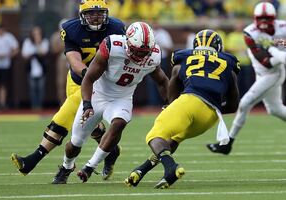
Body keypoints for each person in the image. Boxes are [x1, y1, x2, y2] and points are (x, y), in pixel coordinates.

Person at [10, 0, 126, 183]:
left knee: (69, 111)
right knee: (87, 122)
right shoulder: (71, 29)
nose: (96, 17)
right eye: (91, 13)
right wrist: (88, 74)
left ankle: (33, 159)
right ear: (81, 15)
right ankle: (111, 150)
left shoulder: (117, 28)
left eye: (99, 13)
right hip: (77, 79)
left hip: (102, 84)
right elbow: (74, 60)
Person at [125, 29, 240, 189]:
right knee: (173, 139)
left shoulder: (185, 56)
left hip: (190, 101)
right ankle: (141, 170)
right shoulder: (229, 63)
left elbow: (176, 73)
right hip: (211, 117)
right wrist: (212, 106)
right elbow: (234, 105)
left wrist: (172, 105)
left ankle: (171, 168)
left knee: (154, 136)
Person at [71, 21, 169, 183]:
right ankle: (67, 165)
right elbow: (88, 78)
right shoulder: (112, 46)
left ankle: (90, 166)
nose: (140, 56)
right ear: (127, 41)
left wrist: (168, 103)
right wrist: (87, 103)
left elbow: (163, 81)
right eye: (137, 51)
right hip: (98, 94)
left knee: (119, 123)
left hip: (122, 98)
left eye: (144, 52)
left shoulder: (153, 56)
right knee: (75, 143)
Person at [206, 2, 286, 155]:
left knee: (244, 104)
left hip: (274, 74)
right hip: (265, 71)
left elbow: (272, 64)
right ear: (255, 18)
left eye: (266, 18)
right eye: (260, 18)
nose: (263, 22)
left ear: (274, 18)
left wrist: (276, 47)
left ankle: (227, 143)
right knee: (276, 110)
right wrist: (276, 52)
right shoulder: (250, 32)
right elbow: (265, 62)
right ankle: (227, 144)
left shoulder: (283, 27)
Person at [0, 24, 19, 110]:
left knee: (3, 85)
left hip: (5, 65)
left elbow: (16, 49)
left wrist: (9, 55)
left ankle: (2, 103)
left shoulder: (9, 37)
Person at [22, 26, 49, 109]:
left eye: (38, 33)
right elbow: (24, 54)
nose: (36, 35)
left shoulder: (44, 41)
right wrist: (33, 54)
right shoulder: (27, 42)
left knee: (41, 88)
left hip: (41, 69)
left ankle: (40, 106)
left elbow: (43, 53)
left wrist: (38, 43)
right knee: (32, 88)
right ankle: (34, 106)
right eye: (35, 34)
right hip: (31, 68)